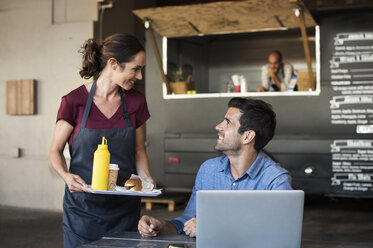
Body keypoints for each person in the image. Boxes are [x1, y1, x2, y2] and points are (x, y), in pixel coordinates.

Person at [49, 33, 155, 248]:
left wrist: (146, 178)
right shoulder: (74, 101)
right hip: (82, 211)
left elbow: (139, 150)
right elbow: (55, 150)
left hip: (125, 209)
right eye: (136, 68)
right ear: (113, 64)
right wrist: (66, 176)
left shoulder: (136, 101)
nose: (140, 76)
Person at [138, 97, 292, 238]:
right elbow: (187, 221)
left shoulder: (275, 180)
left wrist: (213, 228)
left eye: (228, 122)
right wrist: (160, 226)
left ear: (247, 136)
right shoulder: (208, 170)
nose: (218, 126)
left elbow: (278, 233)